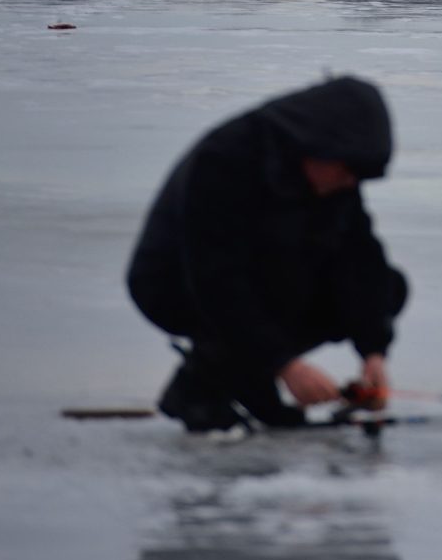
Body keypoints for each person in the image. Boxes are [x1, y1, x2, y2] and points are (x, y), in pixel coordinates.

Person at [126, 76, 407, 432]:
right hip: (174, 285)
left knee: (388, 287)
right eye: (349, 169)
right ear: (318, 144)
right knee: (246, 298)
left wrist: (373, 351)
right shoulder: (226, 158)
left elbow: (360, 260)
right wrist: (284, 365)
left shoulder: (333, 178)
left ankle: (226, 376)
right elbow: (216, 279)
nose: (351, 182)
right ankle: (206, 380)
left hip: (267, 273)